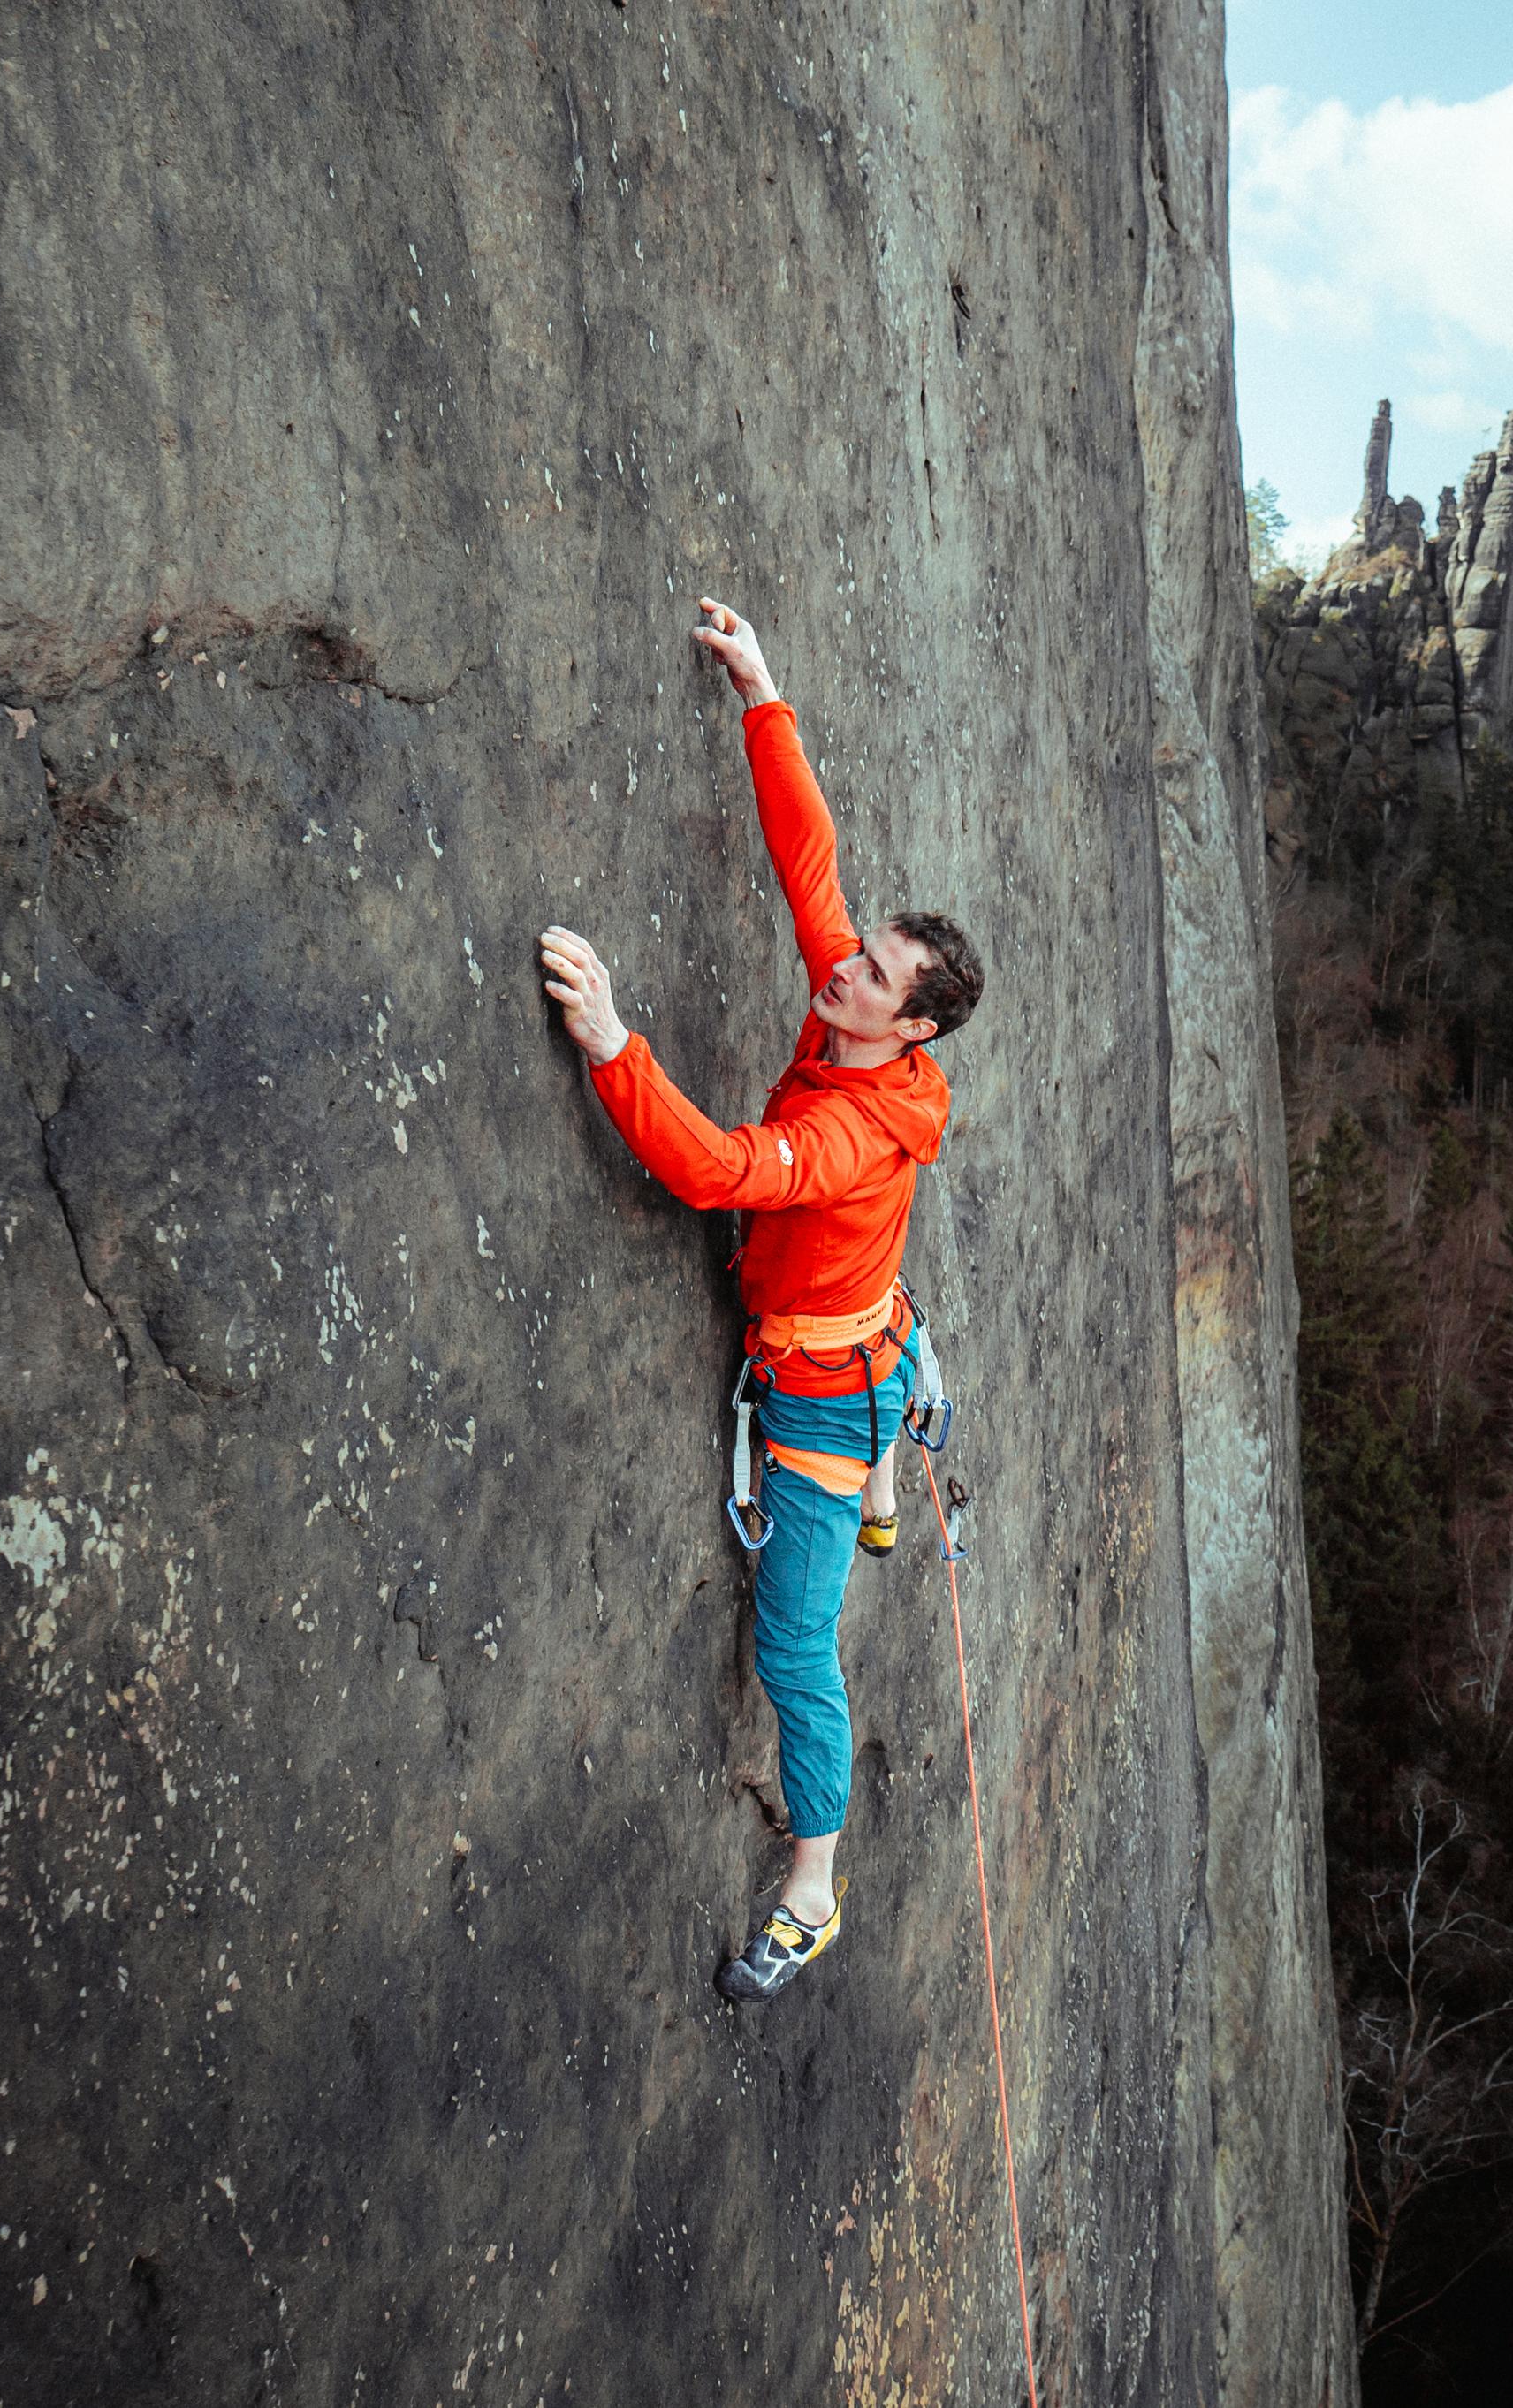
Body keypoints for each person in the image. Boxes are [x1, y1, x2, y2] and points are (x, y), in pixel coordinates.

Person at [538, 598, 985, 2002]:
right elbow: (812, 867)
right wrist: (763, 693)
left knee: (796, 1645)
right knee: (877, 1317)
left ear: (904, 1024)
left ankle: (812, 1887)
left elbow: (726, 1167)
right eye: (861, 958)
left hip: (816, 1395)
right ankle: (911, 1377)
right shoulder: (868, 1033)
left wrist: (617, 1044)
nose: (842, 963)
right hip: (861, 1316)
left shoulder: (856, 1128)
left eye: (871, 973)